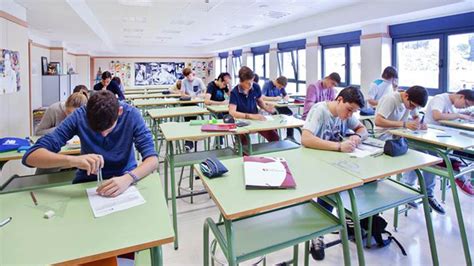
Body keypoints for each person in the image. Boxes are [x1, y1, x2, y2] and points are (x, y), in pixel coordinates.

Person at [23, 90, 158, 197]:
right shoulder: (79, 116)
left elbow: (152, 160)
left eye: (108, 128)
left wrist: (129, 178)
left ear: (119, 112)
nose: (103, 135)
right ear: (87, 114)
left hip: (125, 180)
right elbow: (31, 156)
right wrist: (73, 160)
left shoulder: (132, 115)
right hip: (88, 182)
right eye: (96, 129)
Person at [301, 86, 368, 261]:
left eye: (353, 112)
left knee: (360, 180)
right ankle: (318, 234)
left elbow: (363, 129)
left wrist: (357, 137)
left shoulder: (347, 114)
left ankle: (347, 216)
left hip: (335, 163)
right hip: (314, 164)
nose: (349, 115)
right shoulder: (319, 110)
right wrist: (338, 146)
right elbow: (306, 138)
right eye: (348, 110)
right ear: (339, 100)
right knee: (330, 186)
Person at [375, 86, 445, 214]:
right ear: (406, 96)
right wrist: (404, 124)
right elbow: (378, 121)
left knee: (431, 154)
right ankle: (408, 187)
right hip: (384, 137)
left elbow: (416, 117)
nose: (412, 109)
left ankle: (426, 192)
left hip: (400, 135)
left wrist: (419, 123)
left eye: (415, 107)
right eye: (412, 106)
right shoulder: (391, 99)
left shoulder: (411, 103)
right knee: (419, 153)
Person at [424, 89, 474, 196]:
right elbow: (437, 116)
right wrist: (459, 115)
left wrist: (464, 113)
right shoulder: (440, 99)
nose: (464, 107)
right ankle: (429, 194)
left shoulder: (451, 104)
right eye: (465, 105)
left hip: (442, 138)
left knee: (455, 155)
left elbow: (451, 114)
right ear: (461, 96)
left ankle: (460, 176)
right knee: (436, 161)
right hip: (430, 138)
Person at [229, 66, 279, 145]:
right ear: (241, 81)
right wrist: (251, 116)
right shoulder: (234, 92)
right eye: (247, 83)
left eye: (252, 81)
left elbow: (259, 101)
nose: (251, 84)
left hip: (256, 119)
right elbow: (232, 112)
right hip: (241, 120)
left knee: (274, 136)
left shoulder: (256, 87)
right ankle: (242, 151)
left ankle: (274, 154)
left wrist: (267, 108)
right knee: (244, 144)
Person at [262, 76, 295, 141]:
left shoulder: (281, 86)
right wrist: (274, 98)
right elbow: (262, 97)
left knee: (289, 113)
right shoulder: (267, 85)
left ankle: (290, 136)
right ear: (276, 81)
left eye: (281, 87)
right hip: (270, 106)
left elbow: (285, 95)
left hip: (279, 105)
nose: (280, 88)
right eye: (279, 86)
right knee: (275, 114)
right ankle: (275, 137)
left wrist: (285, 99)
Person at [181, 67, 206, 151]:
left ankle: (192, 139)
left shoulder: (198, 80)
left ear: (192, 73)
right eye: (187, 76)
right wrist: (191, 96)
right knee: (187, 122)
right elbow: (182, 94)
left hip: (195, 103)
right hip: (187, 103)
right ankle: (189, 141)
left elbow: (204, 91)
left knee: (193, 122)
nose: (189, 77)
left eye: (189, 75)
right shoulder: (184, 81)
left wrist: (199, 96)